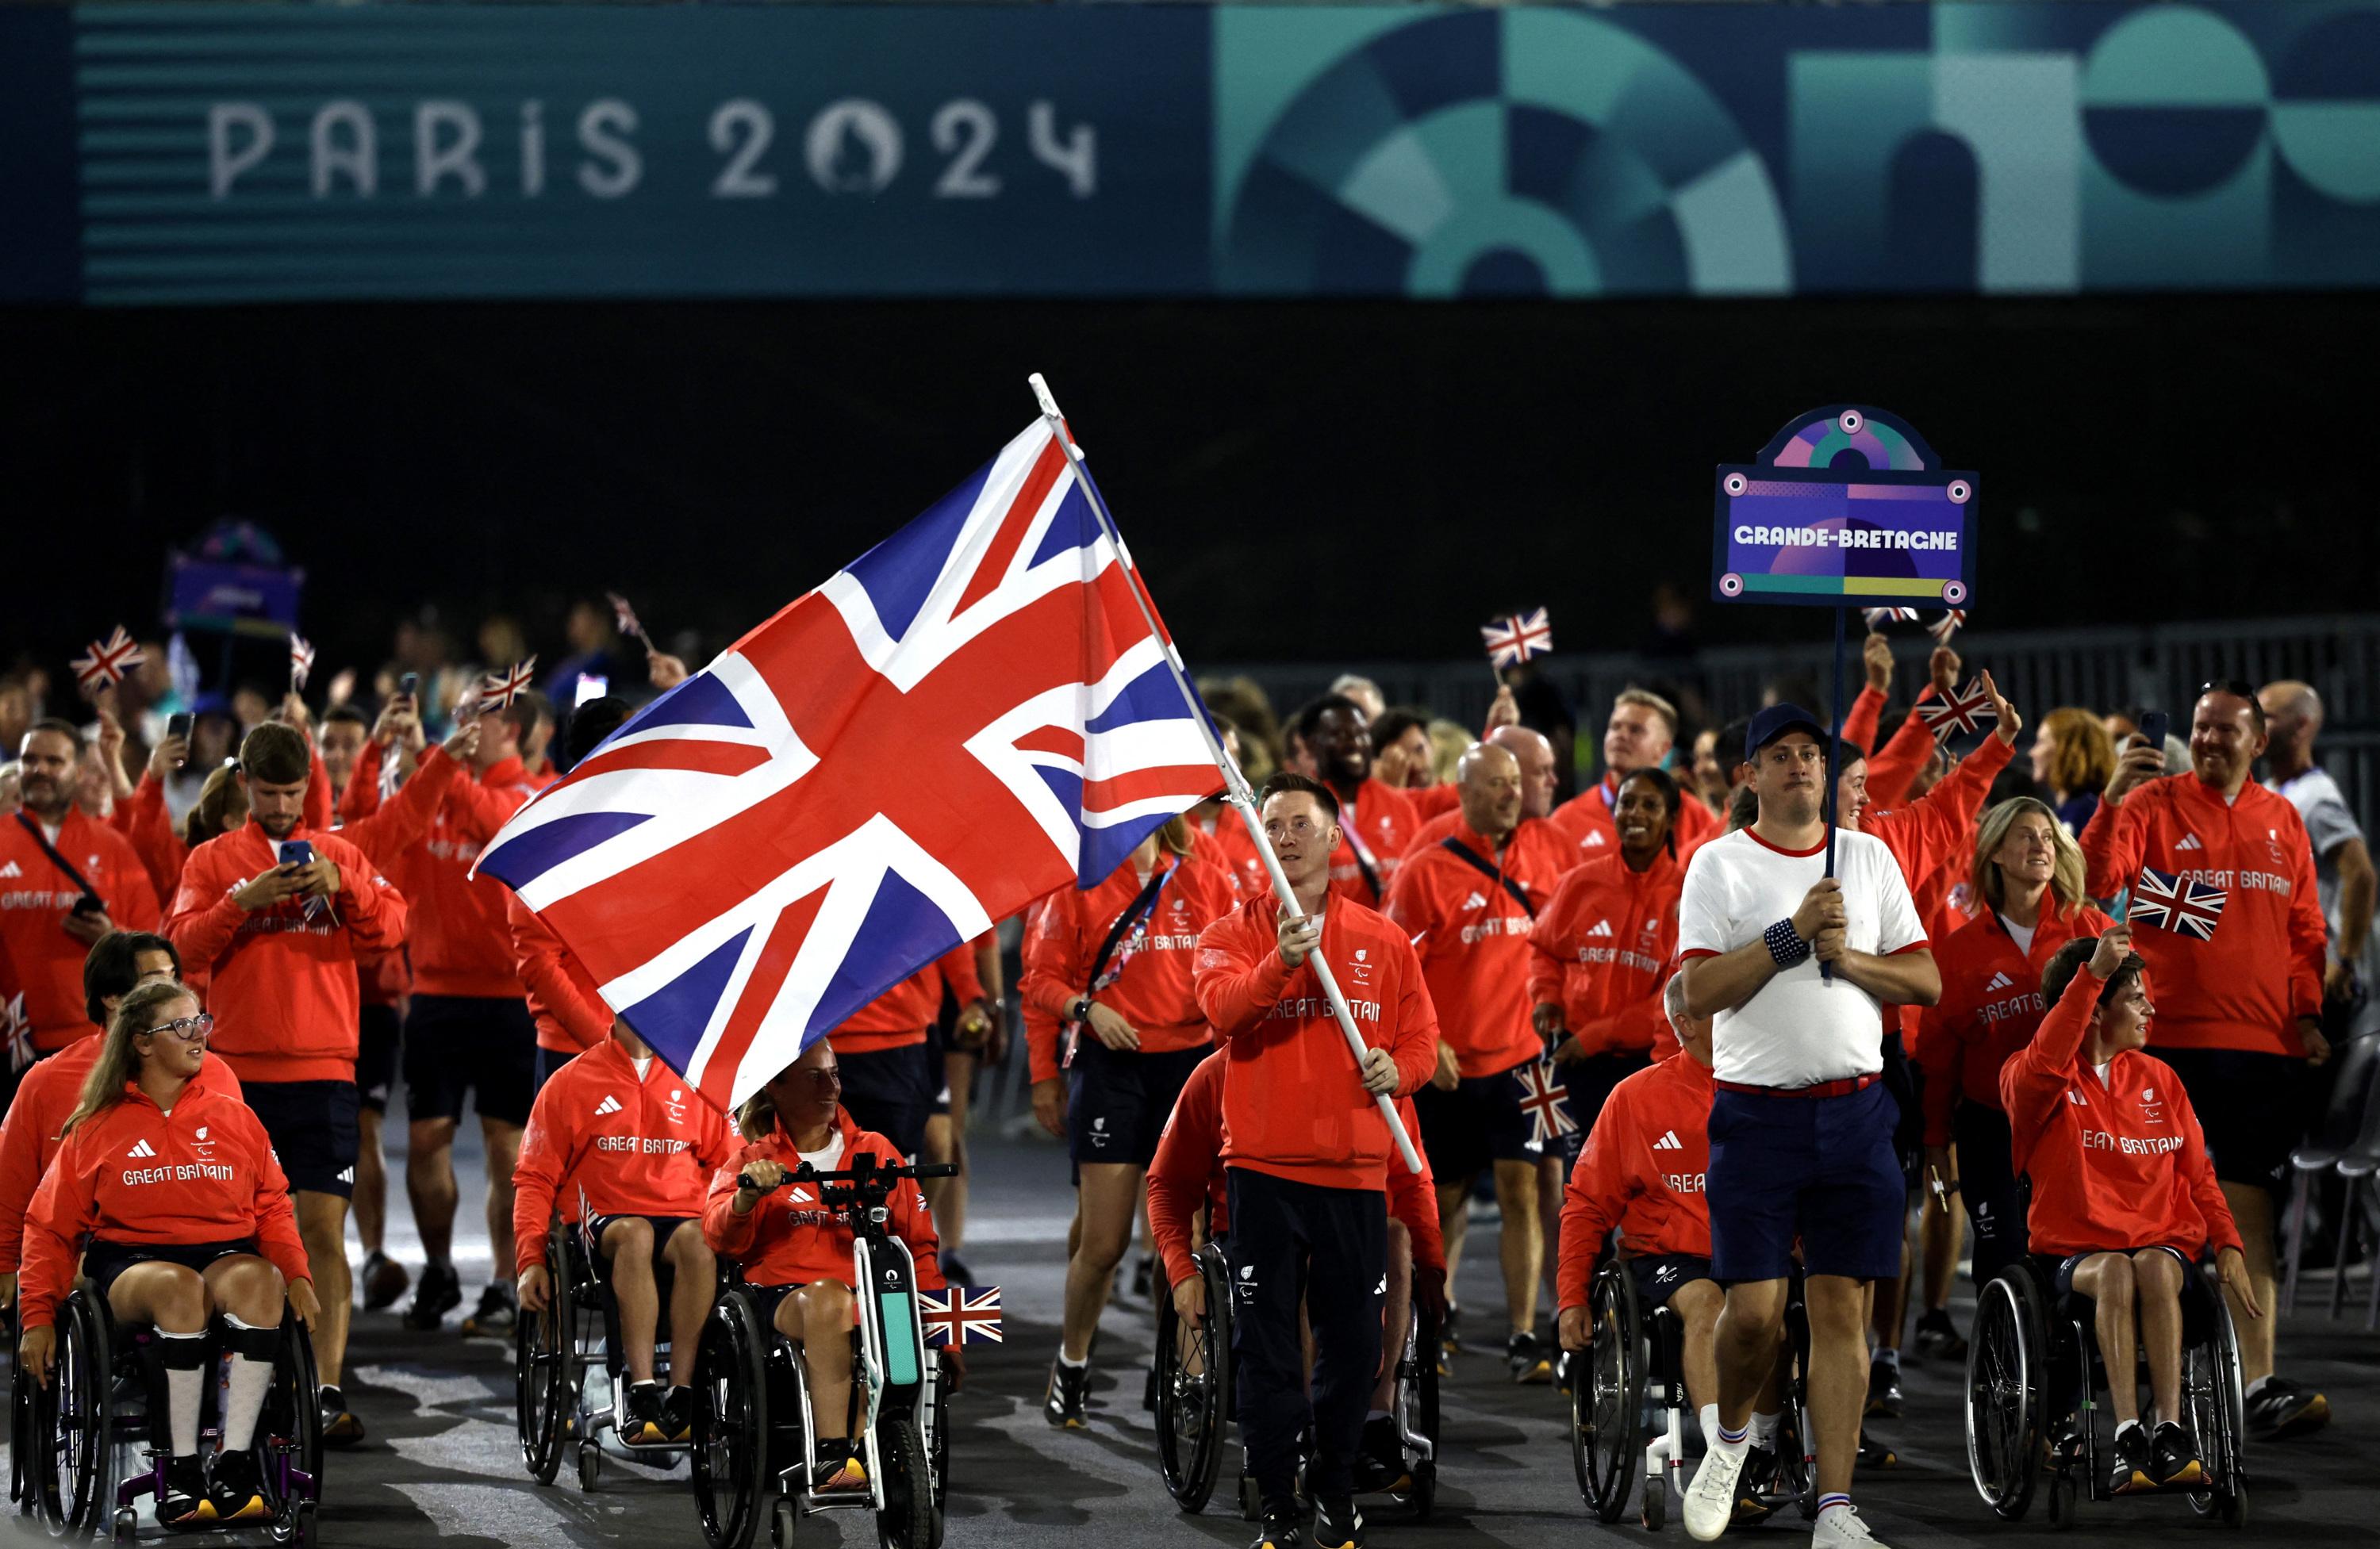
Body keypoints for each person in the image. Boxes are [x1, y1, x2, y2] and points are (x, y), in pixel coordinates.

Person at [1676, 704, 1939, 1549]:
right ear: (1747, 775)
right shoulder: (1718, 865)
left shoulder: (1866, 856)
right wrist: (1790, 937)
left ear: (1829, 774)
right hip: (1756, 1115)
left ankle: (1835, 1508)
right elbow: (1697, 996)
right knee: (1753, 1314)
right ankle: (1728, 1443)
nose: (1799, 766)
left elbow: (1925, 979)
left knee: (1841, 1313)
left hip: (1857, 1111)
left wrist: (1849, 957)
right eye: (1780, 755)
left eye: (1812, 755)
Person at [1192, 771, 1438, 1549]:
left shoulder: (1383, 939)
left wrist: (1399, 1072)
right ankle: (1277, 1502)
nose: (1288, 837)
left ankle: (1334, 1488)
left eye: (1302, 823)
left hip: (1354, 1175)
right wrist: (1281, 964)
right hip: (1263, 1173)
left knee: (1353, 1348)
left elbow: (1422, 1041)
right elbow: (1223, 1012)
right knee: (1265, 1352)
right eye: (1275, 824)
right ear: (1258, 838)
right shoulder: (1229, 934)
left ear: (1335, 837)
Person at [2080, 681, 2328, 1440]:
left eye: (2227, 729)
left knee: (2247, 1215)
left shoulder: (2284, 818)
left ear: (2259, 740)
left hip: (2261, 1050)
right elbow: (2096, 886)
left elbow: (2305, 931)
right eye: (2201, 728)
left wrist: (2310, 1014)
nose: (2211, 739)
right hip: (2167, 1045)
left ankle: (2257, 1381)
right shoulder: (2152, 806)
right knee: (2155, 1218)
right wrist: (2115, 799)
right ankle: (2166, 1383)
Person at [165, 721, 409, 1440]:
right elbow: (175, 948)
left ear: (309, 785)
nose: (281, 806)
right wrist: (243, 900)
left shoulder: (338, 853)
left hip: (326, 1073)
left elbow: (392, 930)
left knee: (323, 1233)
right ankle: (247, 1388)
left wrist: (348, 885)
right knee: (239, 1240)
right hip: (236, 1079)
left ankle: (327, 1390)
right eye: (269, 793)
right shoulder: (213, 860)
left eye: (293, 792)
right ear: (245, 785)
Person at [16, 980, 320, 1525]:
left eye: (200, 1021)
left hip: (223, 1250)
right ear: (143, 1043)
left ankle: (233, 1465)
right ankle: (179, 1470)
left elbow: (273, 1206)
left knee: (261, 1281)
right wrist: (37, 1316)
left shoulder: (236, 1116)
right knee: (182, 1289)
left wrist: (297, 1273)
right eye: (181, 1025)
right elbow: (48, 1227)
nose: (198, 1034)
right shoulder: (96, 1126)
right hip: (133, 1261)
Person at [2002, 924, 2259, 1494]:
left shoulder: (2161, 1079)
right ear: (2095, 1008)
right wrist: (2092, 972)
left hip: (2162, 1256)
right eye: (2136, 997)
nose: (2151, 1008)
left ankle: (2168, 1429)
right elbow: (2047, 1058)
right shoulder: (2032, 1079)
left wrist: (2230, 1245)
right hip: (2076, 1261)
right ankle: (2125, 1435)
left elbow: (2201, 1177)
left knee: (2153, 1264)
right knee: (2119, 1267)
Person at [1145, 1045, 1446, 1495]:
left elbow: (1412, 1179)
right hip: (1255, 1234)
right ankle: (1311, 1426)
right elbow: (1167, 1183)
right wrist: (1181, 1269)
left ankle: (1375, 1419)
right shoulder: (1217, 1075)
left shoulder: (1369, 1069)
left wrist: (1434, 1269)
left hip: (1354, 1226)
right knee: (1310, 1251)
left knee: (1397, 1239)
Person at [1020, 816, 1237, 1428]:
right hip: (1112, 1069)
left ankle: (1186, 1373)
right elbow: (1037, 978)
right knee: (1105, 1240)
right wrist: (1085, 1010)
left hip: (1190, 1067)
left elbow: (1235, 967)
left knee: (1190, 1240)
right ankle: (1072, 1361)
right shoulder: (1079, 884)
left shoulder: (1206, 878)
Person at [1557, 976, 1779, 1523]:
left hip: (1754, 1245)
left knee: (1779, 1313)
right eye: (1720, 1007)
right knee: (1708, 1303)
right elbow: (1586, 1202)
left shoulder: (1771, 1086)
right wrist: (1571, 1297)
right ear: (1684, 1023)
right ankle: (1725, 1457)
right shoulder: (1636, 1097)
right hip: (1670, 1256)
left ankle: (1765, 1443)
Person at [1385, 745, 1566, 1383]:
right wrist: (1425, 1041)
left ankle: (1523, 1333)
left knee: (1529, 1189)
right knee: (1443, 1197)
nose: (1510, 793)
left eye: (1515, 782)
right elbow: (1395, 967)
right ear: (1462, 792)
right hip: (1449, 1066)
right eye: (1495, 783)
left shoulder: (1548, 850)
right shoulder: (1425, 870)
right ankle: (1432, 1321)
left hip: (1527, 1062)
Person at [703, 1039, 949, 1494]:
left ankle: (880, 1444)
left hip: (869, 1300)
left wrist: (945, 1337)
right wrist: (746, 1198)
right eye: (815, 1075)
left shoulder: (876, 1151)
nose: (831, 1086)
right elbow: (720, 1237)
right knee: (832, 1301)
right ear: (777, 1087)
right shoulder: (754, 1160)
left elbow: (918, 1247)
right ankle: (836, 1453)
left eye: (834, 1073)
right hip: (780, 1299)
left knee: (885, 1304)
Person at [1917, 799, 2113, 1296]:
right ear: (1996, 854)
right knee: (2005, 1257)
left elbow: (2131, 1021)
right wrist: (1936, 1142)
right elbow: (1940, 1062)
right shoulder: (1959, 952)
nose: (2039, 846)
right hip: (1990, 1127)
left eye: (2048, 837)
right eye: (2025, 835)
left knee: (2073, 1255)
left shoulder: (2090, 930)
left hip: (2075, 1120)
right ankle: (2000, 1370)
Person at [514, 1015, 732, 1445]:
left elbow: (729, 1167)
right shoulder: (570, 1082)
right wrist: (529, 1260)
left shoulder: (701, 1082)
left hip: (681, 1215)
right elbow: (534, 1178)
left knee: (699, 1242)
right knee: (635, 1234)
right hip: (604, 1219)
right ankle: (643, 1391)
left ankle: (684, 1394)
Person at [1530, 767, 1686, 1311]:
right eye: (1626, 804)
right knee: (1583, 1193)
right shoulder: (1582, 881)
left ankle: (1646, 1303)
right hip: (1578, 1067)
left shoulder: (1686, 892)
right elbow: (1545, 948)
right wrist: (1545, 996)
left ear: (1670, 819)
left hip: (1647, 1068)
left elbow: (1674, 996)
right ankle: (1576, 1314)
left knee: (1644, 1192)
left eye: (1648, 805)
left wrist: (1595, 1035)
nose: (1634, 815)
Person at [0, 932, 222, 1313]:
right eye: (154, 980)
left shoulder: (216, 1074)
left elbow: (248, 1176)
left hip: (202, 1240)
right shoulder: (47, 1082)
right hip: (97, 1247)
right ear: (113, 997)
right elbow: (13, 1184)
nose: (171, 991)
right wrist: (5, 1264)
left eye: (174, 977)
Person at [0, 719, 162, 1110]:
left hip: (95, 1041)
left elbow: (156, 946)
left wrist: (112, 938)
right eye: (29, 759)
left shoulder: (113, 847)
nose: (39, 769)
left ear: (80, 771)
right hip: (12, 1040)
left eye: (54, 761)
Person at [2260, 681, 2378, 1037]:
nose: (2255, 725)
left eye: (2267, 717)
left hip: (2319, 981)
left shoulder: (2316, 799)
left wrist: (2343, 960)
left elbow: (2360, 874)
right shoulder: (2271, 790)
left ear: (2302, 725)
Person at [828, 941, 988, 1163]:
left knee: (932, 1149)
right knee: (823, 1161)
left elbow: (946, 928)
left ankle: (920, 1199)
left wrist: (972, 998)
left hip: (902, 1040)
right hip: (823, 1040)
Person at [1553, 689, 1720, 867]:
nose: (1621, 735)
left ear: (1663, 750)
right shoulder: (1566, 820)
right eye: (1615, 727)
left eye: (1636, 730)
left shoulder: (1693, 815)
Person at [1294, 695, 1420, 909]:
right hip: (1327, 938)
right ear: (1312, 745)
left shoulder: (1399, 806)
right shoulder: (1296, 811)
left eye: (1362, 733)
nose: (1355, 743)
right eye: (1341, 735)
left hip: (1391, 938)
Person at [2032, 707, 2117, 838]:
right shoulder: (2088, 808)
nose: (2032, 753)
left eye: (2041, 742)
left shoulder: (2083, 814)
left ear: (2067, 751)